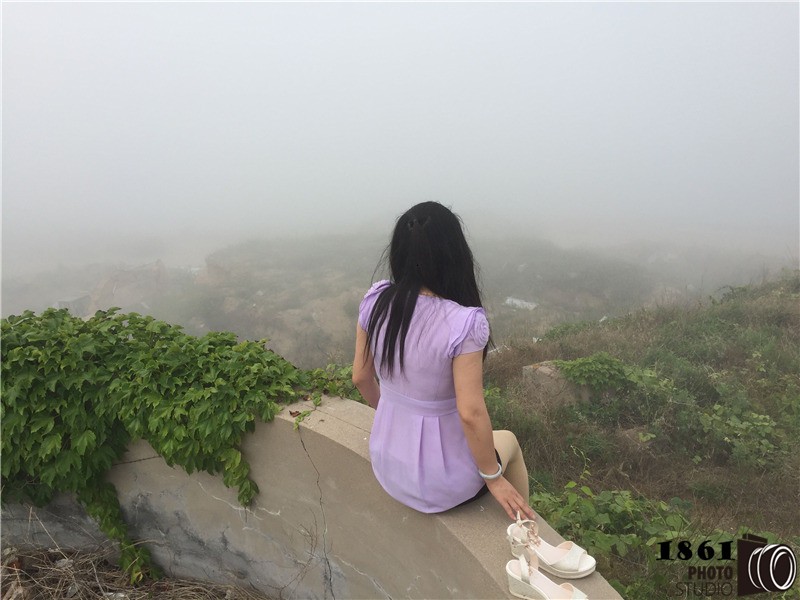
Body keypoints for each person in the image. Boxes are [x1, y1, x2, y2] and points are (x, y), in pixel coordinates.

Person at [352, 201, 536, 521]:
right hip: (439, 483)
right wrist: (493, 479)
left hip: (388, 463)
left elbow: (360, 377)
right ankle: (527, 531)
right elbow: (470, 413)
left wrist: (398, 420)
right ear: (454, 254)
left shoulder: (376, 301)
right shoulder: (464, 323)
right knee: (509, 442)